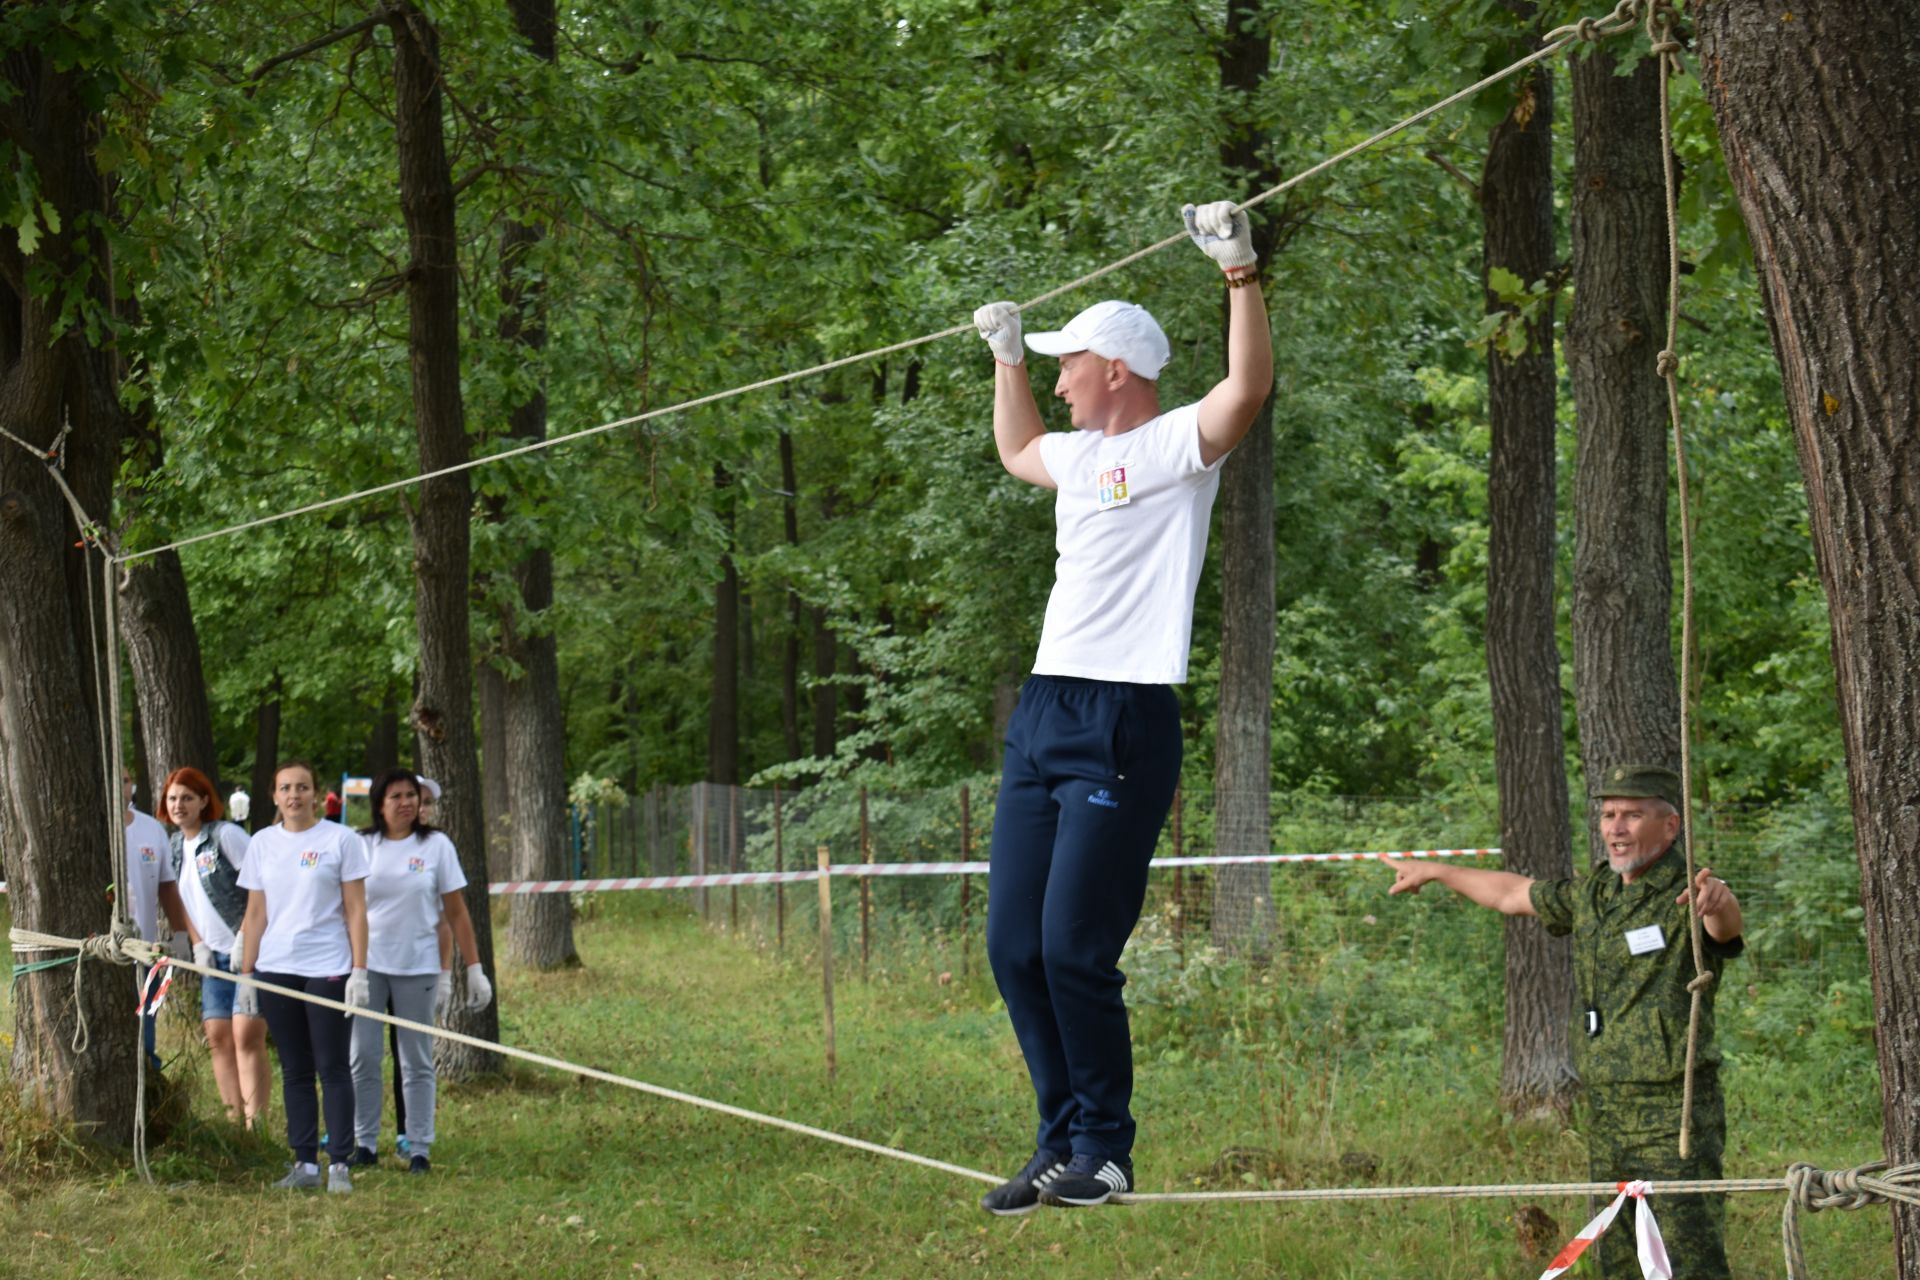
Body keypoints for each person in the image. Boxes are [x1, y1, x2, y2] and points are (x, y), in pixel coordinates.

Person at [969, 199, 1273, 1213]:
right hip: (1046, 707)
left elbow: (1247, 387)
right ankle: (1061, 1138)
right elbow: (1018, 451)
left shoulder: (1176, 448)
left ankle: (1107, 1142)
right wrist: (1007, 357)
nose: (1058, 379)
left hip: (1124, 717)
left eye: (1065, 361)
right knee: (1014, 946)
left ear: (1116, 368)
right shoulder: (1078, 457)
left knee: (1072, 946)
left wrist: (1239, 273)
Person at [1383, 765, 1745, 1280]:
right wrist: (1438, 871)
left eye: (1632, 815)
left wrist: (1720, 902)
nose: (1616, 828)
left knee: (1686, 1258)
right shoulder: (1596, 894)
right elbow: (1514, 894)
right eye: (1608, 815)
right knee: (1618, 1255)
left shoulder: (1689, 890)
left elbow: (1723, 929)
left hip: (1672, 1112)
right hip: (1608, 1109)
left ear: (1669, 825)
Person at [235, 760, 372, 1193]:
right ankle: (304, 1163)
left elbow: (355, 910)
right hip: (277, 966)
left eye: (302, 787)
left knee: (332, 1066)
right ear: (274, 796)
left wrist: (359, 970)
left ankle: (340, 1165)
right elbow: (256, 912)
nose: (294, 795)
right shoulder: (262, 843)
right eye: (285, 788)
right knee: (295, 1069)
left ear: (316, 794)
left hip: (328, 966)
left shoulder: (340, 840)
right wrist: (246, 975)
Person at [347, 768, 493, 1174]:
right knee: (363, 1056)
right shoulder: (361, 845)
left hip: (419, 967)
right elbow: (345, 907)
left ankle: (419, 1147)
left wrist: (472, 968)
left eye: (411, 795)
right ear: (380, 803)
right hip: (368, 966)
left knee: (416, 1060)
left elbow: (456, 912)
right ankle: (364, 1142)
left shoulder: (437, 846)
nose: (406, 802)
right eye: (396, 796)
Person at [162, 766, 271, 1126]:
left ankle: (257, 1124)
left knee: (246, 1034)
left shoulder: (225, 836)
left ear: (204, 801)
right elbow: (181, 900)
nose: (179, 805)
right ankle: (233, 1120)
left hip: (248, 952)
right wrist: (196, 944)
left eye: (187, 798)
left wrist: (246, 937)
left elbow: (261, 887)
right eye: (173, 798)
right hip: (211, 954)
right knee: (217, 1035)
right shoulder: (174, 845)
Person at [124, 784, 191, 1073]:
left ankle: (149, 1086)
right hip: (100, 948)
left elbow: (167, 886)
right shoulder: (90, 827)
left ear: (132, 787)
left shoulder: (152, 829)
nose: (121, 784)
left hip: (144, 951)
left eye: (126, 778)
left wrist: (180, 934)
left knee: (144, 1028)